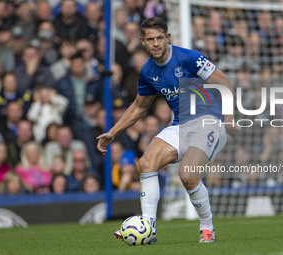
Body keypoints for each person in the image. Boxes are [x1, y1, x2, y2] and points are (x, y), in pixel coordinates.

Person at [97, 17, 239, 244]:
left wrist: (229, 118)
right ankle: (148, 228)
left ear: (167, 38)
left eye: (160, 38)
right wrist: (113, 132)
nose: (156, 43)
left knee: (187, 174)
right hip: (180, 124)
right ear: (143, 41)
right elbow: (140, 107)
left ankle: (207, 227)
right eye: (151, 39)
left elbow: (225, 82)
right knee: (146, 162)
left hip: (209, 120)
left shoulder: (188, 58)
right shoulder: (148, 71)